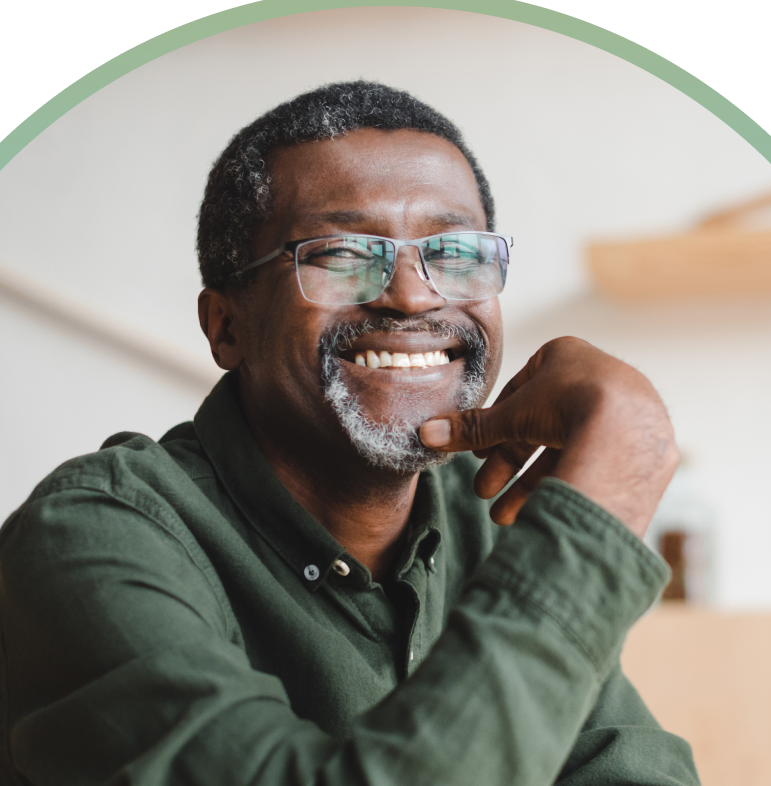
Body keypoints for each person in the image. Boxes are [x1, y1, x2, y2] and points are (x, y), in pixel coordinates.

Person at [0, 81, 699, 785]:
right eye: (339, 255)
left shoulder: (487, 516)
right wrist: (600, 507)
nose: (413, 295)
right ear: (227, 327)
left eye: (454, 252)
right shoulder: (89, 537)